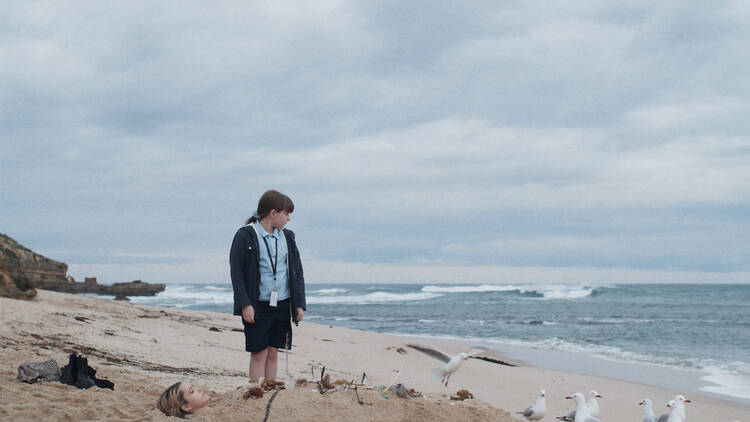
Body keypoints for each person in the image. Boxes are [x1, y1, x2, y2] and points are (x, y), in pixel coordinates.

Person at [230, 189, 306, 382]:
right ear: (273, 213)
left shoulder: (288, 238)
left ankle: (270, 387)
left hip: (282, 303)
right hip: (258, 304)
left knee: (273, 351)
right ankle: (255, 390)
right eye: (286, 214)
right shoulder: (246, 235)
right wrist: (245, 304)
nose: (288, 219)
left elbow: (297, 272)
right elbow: (236, 273)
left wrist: (299, 304)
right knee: (259, 352)